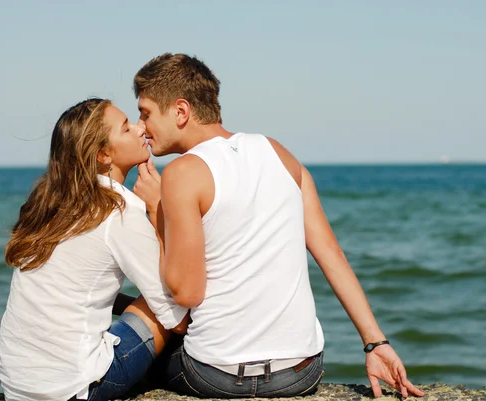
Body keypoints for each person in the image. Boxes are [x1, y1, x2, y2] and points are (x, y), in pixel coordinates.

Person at [131, 53, 425, 398]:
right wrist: (376, 343)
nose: (140, 127)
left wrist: (156, 211)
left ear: (181, 112)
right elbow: (331, 253)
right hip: (299, 373)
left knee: (141, 338)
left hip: (216, 376)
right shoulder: (279, 153)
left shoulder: (182, 173)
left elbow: (186, 293)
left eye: (145, 113)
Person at [0, 98, 188, 401]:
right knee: (167, 298)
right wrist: (157, 211)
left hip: (17, 384)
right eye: (126, 128)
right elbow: (174, 314)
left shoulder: (53, 204)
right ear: (103, 154)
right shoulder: (118, 210)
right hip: (72, 389)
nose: (140, 129)